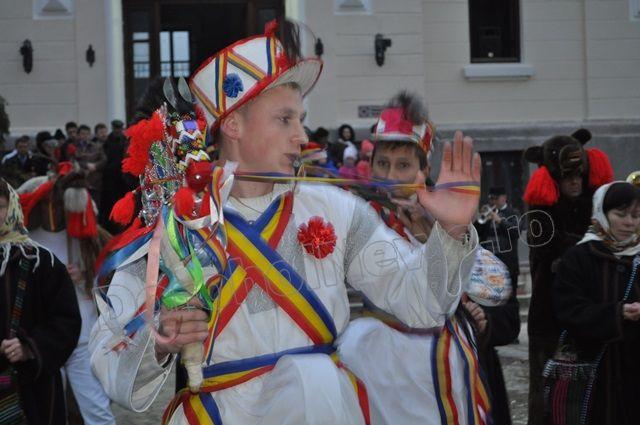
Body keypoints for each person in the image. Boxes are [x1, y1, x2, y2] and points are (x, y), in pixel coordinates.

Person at [90, 20, 481, 424]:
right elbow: (108, 354)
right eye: (285, 119)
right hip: (222, 415)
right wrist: (158, 341)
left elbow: (420, 303)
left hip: (324, 409)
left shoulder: (337, 209)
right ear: (233, 124)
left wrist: (451, 233)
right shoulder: (177, 226)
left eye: (301, 119)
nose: (302, 136)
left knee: (316, 382)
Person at [338, 91, 492, 424]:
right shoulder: (358, 217)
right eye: (383, 163)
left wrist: (439, 236)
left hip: (443, 360)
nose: (391, 175)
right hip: (381, 364)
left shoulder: (449, 213)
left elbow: (491, 286)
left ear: (424, 169)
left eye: (404, 165)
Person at [522, 129, 613, 425]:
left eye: (578, 175)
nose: (575, 182)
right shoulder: (540, 211)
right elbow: (544, 245)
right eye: (567, 177)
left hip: (589, 307)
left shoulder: (595, 203)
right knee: (548, 388)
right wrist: (587, 246)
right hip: (549, 312)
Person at [18, 165, 115, 425]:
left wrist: (86, 276)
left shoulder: (87, 238)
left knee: (96, 406)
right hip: (45, 336)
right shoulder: (27, 240)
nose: (54, 211)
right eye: (48, 204)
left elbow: (110, 275)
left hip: (83, 335)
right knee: (49, 405)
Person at [553, 181, 640, 424]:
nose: (629, 223)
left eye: (635, 216)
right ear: (602, 212)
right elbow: (567, 310)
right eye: (620, 214)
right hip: (593, 375)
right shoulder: (578, 258)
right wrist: (618, 313)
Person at [0, 178, 81, 424]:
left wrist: (29, 347)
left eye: (0, 206)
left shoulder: (40, 262)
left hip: (31, 390)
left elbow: (66, 321)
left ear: (12, 208)